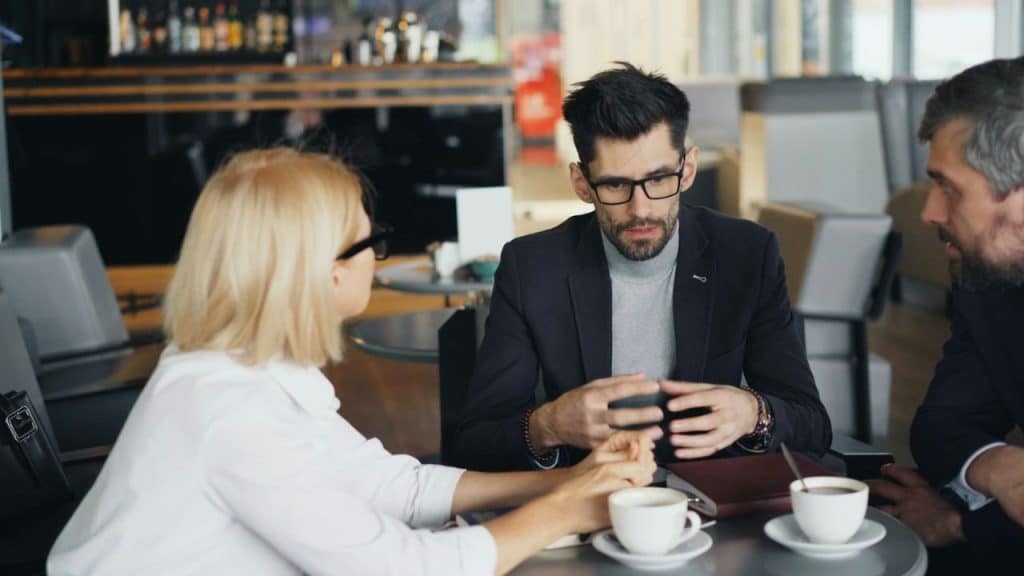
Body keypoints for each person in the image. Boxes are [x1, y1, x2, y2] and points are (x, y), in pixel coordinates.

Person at [46, 148, 656, 575]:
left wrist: (569, 480)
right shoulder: (226, 412)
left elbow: (395, 486)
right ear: (329, 268)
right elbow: (404, 568)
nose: (378, 258)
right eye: (372, 242)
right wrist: (566, 510)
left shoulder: (244, 365)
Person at [451, 63, 831, 472]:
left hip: (713, 505)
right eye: (616, 185)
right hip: (590, 499)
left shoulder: (747, 254)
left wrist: (753, 412)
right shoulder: (533, 268)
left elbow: (812, 424)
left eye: (659, 178)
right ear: (582, 184)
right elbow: (475, 444)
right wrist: (548, 425)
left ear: (687, 170)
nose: (641, 209)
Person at [865, 57, 1024, 572]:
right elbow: (942, 424)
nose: (930, 211)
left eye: (948, 186)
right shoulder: (991, 282)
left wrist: (959, 524)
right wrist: (995, 466)